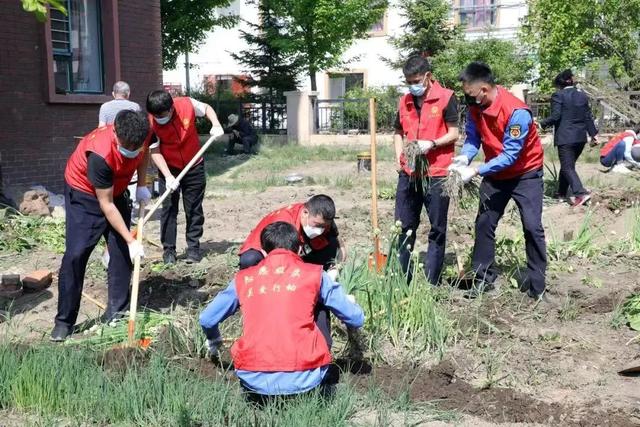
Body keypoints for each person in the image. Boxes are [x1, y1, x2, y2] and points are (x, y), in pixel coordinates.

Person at [199, 221, 364, 400]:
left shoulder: (243, 279)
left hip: (253, 377)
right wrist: (349, 301)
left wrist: (214, 339)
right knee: (319, 301)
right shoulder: (316, 275)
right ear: (300, 249)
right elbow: (355, 318)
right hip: (307, 377)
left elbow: (207, 319)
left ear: (262, 252)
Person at [51, 111, 152, 341]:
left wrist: (142, 184)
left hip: (115, 190)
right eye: (127, 147)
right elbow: (106, 205)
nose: (132, 151)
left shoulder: (140, 134)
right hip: (85, 193)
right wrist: (131, 239)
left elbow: (143, 154)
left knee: (120, 253)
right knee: (76, 254)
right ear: (115, 133)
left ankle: (118, 311)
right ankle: (64, 322)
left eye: (136, 146)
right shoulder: (100, 154)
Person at [449, 62, 547, 301]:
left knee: (532, 227)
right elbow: (473, 138)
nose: (468, 99)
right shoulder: (476, 107)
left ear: (484, 89)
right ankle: (483, 279)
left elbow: (511, 155)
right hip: (496, 174)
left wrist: (476, 170)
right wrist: (465, 157)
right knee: (484, 223)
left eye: (470, 94)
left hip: (526, 174)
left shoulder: (517, 112)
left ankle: (537, 286)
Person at [393, 55, 459, 285]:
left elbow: (454, 133)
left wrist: (431, 143)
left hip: (437, 173)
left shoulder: (447, 98)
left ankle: (432, 281)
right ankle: (403, 279)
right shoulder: (404, 101)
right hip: (409, 174)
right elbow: (398, 132)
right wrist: (399, 158)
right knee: (402, 226)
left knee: (437, 228)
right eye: (408, 81)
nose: (413, 85)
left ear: (428, 76)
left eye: (416, 80)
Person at [146, 90, 224, 264]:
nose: (159, 119)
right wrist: (167, 176)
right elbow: (155, 151)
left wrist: (216, 124)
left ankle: (193, 249)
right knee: (168, 209)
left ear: (171, 108)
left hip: (194, 164)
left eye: (162, 115)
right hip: (169, 168)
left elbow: (206, 108)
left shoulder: (186, 105)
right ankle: (169, 251)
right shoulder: (151, 123)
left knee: (194, 208)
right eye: (155, 115)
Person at [238, 195, 346, 271]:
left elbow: (339, 244)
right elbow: (280, 259)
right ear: (305, 213)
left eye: (324, 226)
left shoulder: (322, 220)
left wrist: (337, 267)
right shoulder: (284, 223)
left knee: (331, 244)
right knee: (250, 260)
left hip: (298, 247)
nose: (320, 230)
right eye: (317, 225)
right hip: (266, 248)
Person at [539, 70, 598, 207]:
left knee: (567, 167)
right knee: (568, 166)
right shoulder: (582, 96)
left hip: (566, 137)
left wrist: (541, 123)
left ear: (558, 84)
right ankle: (561, 193)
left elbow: (556, 116)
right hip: (580, 138)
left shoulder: (558, 95)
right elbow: (588, 117)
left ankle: (580, 193)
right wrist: (593, 134)